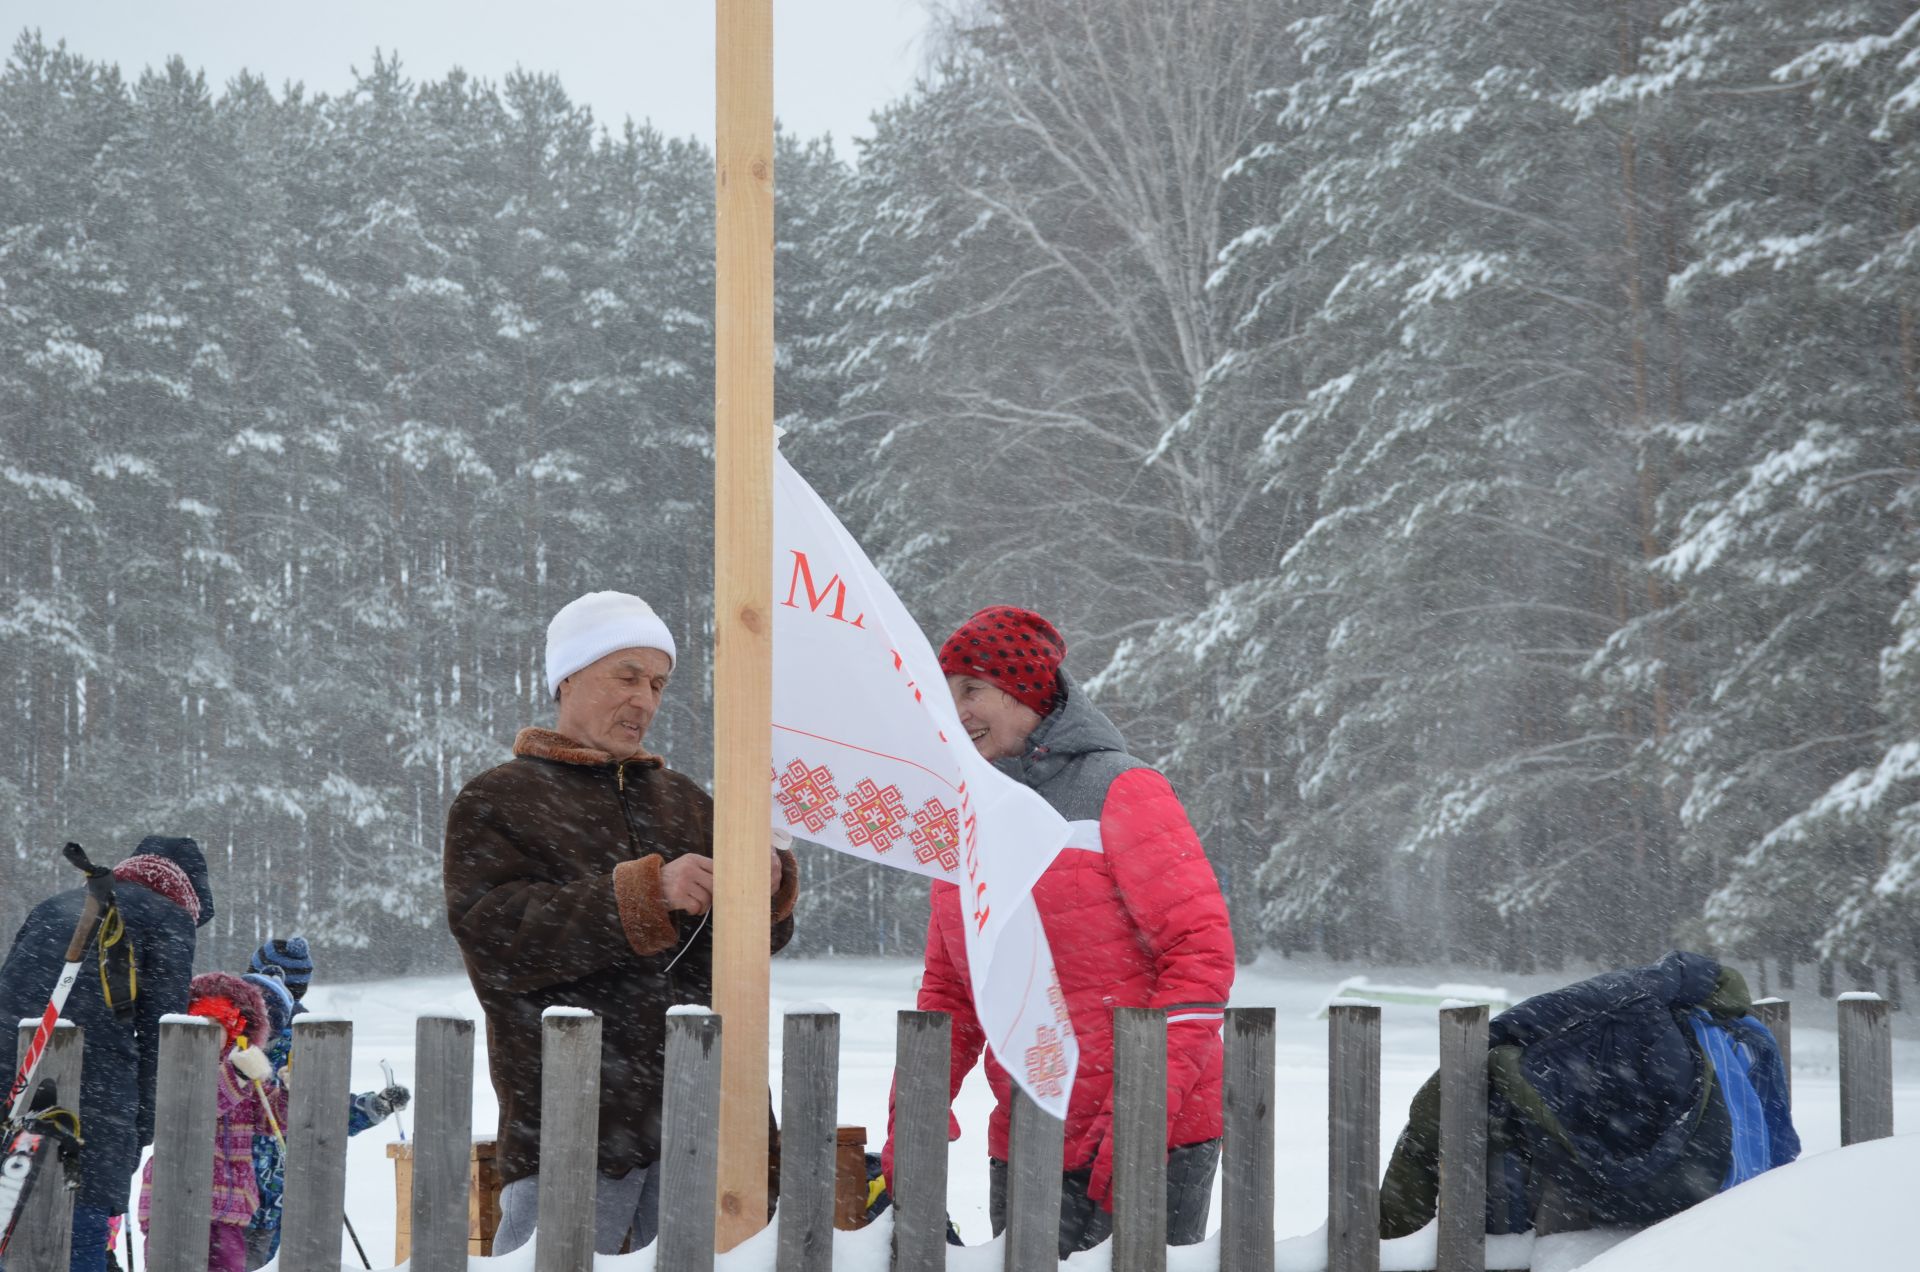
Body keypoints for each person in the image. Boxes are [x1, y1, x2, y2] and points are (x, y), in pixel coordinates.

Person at [443, 590, 800, 1254]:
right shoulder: (499, 800)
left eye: (659, 684)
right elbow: (498, 939)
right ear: (568, 678)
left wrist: (765, 889)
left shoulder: (688, 801)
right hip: (570, 1129)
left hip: (708, 1126)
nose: (646, 700)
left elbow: (747, 952)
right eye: (627, 675)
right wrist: (644, 894)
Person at [886, 605, 1237, 1256]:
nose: (956, 709)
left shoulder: (1121, 789)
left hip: (1151, 1134)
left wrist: (1143, 1110)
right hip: (1026, 1130)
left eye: (973, 689)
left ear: (1028, 692)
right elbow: (952, 988)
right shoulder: (964, 816)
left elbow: (1200, 950)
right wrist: (914, 1109)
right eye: (948, 692)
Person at [1379, 951, 1799, 1238]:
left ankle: (1397, 1232)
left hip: (1670, 1193)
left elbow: (1540, 1015)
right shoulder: (1734, 1033)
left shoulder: (1651, 1000)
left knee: (1459, 1109)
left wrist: (1491, 1040)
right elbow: (1779, 1137)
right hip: (1720, 1200)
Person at [0, 836, 213, 1272]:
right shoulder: (167, 918)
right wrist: (142, 1125)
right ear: (189, 891)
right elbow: (164, 1037)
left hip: (15, 1078)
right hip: (94, 1100)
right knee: (80, 1228)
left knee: (10, 1221)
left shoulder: (54, 906)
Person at [238, 966, 410, 1271]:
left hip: (284, 1204)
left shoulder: (299, 1053)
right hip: (232, 1205)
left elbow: (328, 1112)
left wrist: (375, 1105)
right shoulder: (226, 1059)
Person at [135, 973, 287, 1272]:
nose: (207, 1032)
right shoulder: (175, 1066)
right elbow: (195, 1109)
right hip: (173, 1202)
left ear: (234, 1030)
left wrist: (289, 1094)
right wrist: (238, 1076)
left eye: (216, 1025)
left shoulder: (239, 1071)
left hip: (228, 1208)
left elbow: (273, 1120)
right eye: (200, 1022)